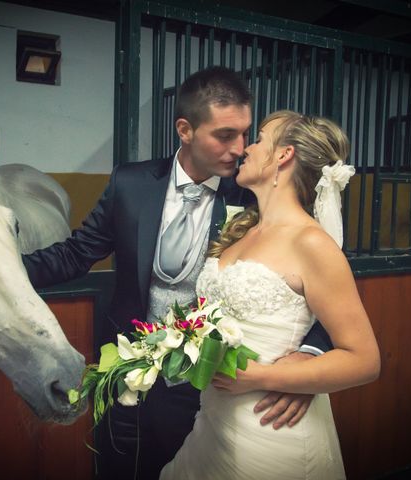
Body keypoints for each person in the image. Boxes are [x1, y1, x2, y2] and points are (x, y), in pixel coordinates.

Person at [22, 69, 333, 480]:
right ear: (185, 130)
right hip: (125, 370)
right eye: (225, 135)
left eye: (245, 134)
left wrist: (306, 364)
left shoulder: (255, 194)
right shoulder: (130, 183)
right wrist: (0, 269)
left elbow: (324, 279)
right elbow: (77, 253)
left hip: (209, 385)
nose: (239, 148)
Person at [159, 110, 381, 480]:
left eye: (260, 138)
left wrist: (265, 377)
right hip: (214, 426)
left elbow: (365, 361)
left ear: (284, 155)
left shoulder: (311, 243)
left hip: (270, 430)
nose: (246, 148)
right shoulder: (240, 229)